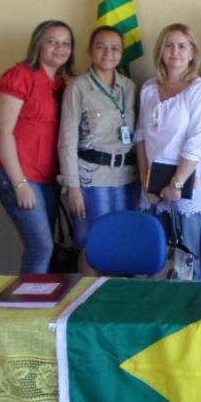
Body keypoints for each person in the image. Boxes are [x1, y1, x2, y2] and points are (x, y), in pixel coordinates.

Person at [0, 20, 75, 274]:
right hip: (19, 175)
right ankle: (28, 307)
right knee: (42, 247)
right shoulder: (20, 75)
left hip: (47, 178)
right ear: (38, 44)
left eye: (66, 43)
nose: (60, 48)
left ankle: (41, 298)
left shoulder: (62, 84)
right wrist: (20, 184)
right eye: (52, 42)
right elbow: (3, 132)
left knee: (44, 247)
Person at [136, 24, 201, 278]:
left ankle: (193, 314)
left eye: (182, 46)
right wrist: (145, 179)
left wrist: (177, 183)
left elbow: (196, 142)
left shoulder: (200, 90)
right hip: (154, 183)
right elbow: (140, 136)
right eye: (169, 45)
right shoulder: (149, 88)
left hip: (187, 181)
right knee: (157, 257)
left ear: (192, 52)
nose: (175, 52)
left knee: (186, 256)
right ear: (160, 52)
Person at [58, 26, 138, 272]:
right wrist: (73, 187)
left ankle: (117, 299)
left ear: (122, 53)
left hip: (126, 178)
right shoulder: (78, 87)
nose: (108, 53)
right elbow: (67, 140)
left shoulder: (129, 86)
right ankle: (87, 298)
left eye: (115, 48)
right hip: (91, 178)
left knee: (123, 241)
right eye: (101, 46)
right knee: (92, 243)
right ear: (90, 51)